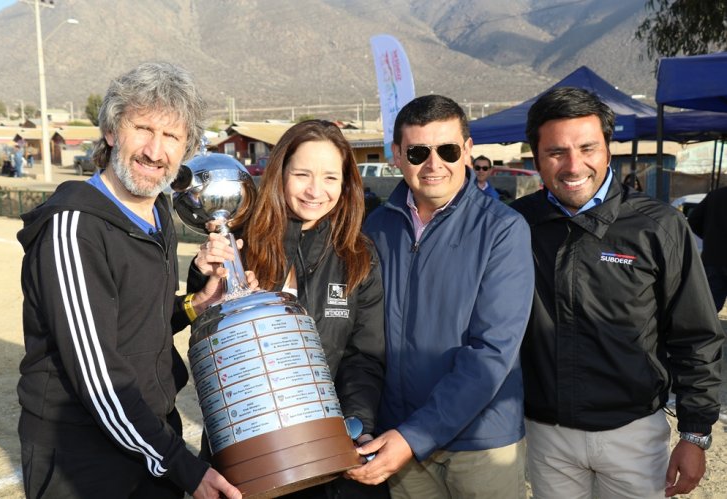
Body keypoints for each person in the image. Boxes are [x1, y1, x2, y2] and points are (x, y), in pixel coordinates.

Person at [16, 62, 243, 499]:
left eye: (172, 137)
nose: (155, 151)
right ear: (112, 131)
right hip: (82, 454)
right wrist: (182, 466)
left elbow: (139, 321)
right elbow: (98, 377)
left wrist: (199, 303)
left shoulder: (158, 213)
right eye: (143, 128)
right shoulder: (73, 228)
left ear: (186, 149)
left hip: (150, 436)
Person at [511, 87, 724, 499]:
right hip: (545, 436)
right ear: (535, 157)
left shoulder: (657, 226)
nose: (574, 165)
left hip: (634, 436)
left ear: (609, 150)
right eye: (556, 152)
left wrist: (695, 434)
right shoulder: (515, 226)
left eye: (588, 147)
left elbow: (696, 335)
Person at [188, 119, 387, 499]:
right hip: (244, 461)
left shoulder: (359, 257)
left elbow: (364, 357)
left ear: (346, 183)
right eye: (302, 174)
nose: (316, 190)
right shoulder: (239, 240)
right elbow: (204, 331)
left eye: (331, 177)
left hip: (323, 459)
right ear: (281, 174)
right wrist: (203, 276)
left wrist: (354, 426)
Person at [348, 95, 534, 498]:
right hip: (397, 437)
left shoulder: (503, 229)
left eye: (447, 149)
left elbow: (492, 350)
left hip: (481, 442)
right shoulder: (375, 229)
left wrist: (415, 435)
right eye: (418, 152)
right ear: (396, 155)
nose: (434, 164)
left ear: (467, 150)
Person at [688, 185, 727, 312]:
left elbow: (693, 220)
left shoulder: (715, 195)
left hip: (713, 258)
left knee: (709, 308)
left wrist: (711, 239)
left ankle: (703, 331)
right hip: (713, 258)